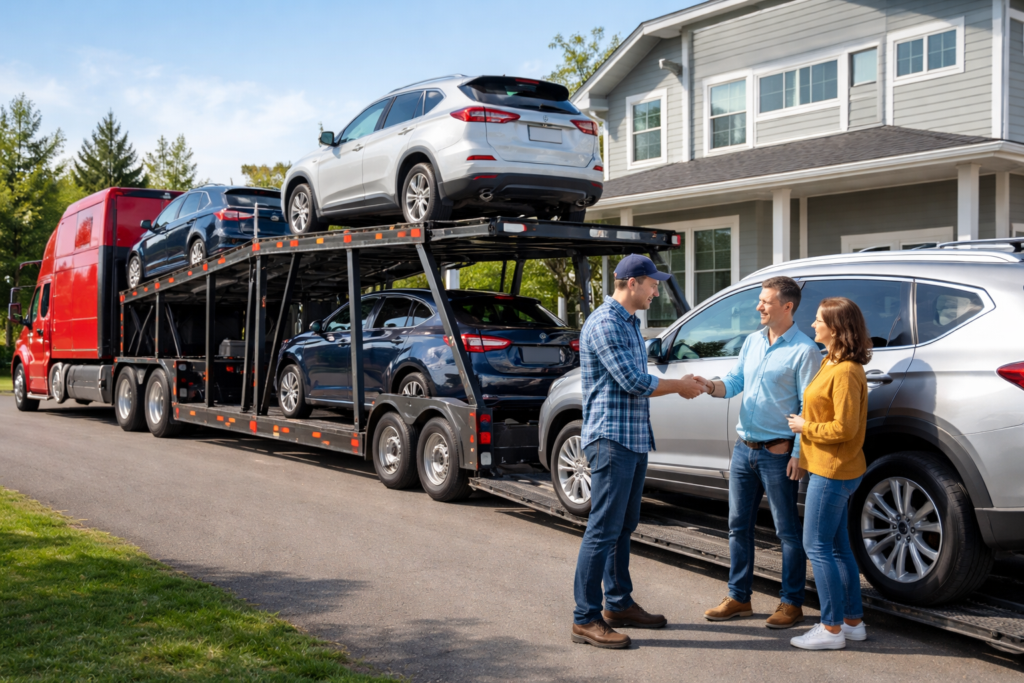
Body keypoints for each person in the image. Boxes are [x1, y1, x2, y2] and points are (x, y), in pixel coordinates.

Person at [571, 253, 707, 649]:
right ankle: (585, 618)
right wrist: (679, 386)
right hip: (611, 440)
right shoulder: (606, 323)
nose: (656, 290)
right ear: (633, 283)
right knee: (602, 530)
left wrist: (685, 378)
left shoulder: (631, 323)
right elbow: (632, 380)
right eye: (652, 283)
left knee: (623, 527)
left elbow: (645, 376)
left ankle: (618, 603)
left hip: (632, 438)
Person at [699, 276, 820, 629]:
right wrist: (710, 386)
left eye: (765, 301)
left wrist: (797, 452)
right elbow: (736, 380)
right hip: (744, 450)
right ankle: (739, 598)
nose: (759, 307)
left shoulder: (805, 350)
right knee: (738, 526)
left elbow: (807, 407)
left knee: (786, 531)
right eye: (759, 300)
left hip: (778, 453)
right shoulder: (753, 341)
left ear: (787, 306)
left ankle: (791, 602)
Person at [786, 297, 871, 650]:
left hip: (834, 470)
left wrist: (806, 428)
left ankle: (831, 628)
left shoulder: (847, 371)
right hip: (824, 466)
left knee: (816, 546)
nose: (813, 325)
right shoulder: (829, 362)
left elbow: (845, 428)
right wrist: (803, 457)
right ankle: (852, 622)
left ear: (835, 329)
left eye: (819, 321)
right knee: (837, 548)